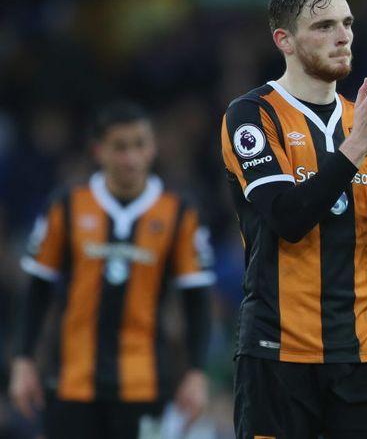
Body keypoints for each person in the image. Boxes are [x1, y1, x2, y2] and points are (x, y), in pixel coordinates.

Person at [220, 0, 367, 439]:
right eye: (324, 26)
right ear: (285, 41)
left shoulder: (361, 120)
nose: (343, 36)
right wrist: (359, 144)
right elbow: (288, 218)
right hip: (277, 352)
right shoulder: (252, 115)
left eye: (347, 23)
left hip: (360, 353)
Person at [8, 102, 215, 439]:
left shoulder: (179, 213)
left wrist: (196, 372)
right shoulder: (66, 206)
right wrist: (23, 359)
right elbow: (37, 289)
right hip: (73, 381)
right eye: (120, 147)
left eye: (139, 145)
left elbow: (197, 298)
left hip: (144, 383)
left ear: (152, 148)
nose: (131, 158)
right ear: (98, 150)